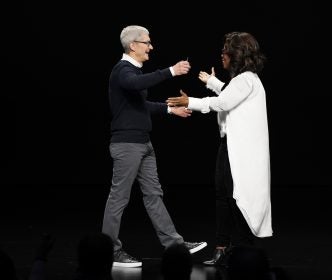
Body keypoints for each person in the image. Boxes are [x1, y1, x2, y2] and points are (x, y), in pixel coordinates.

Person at [102, 25, 207, 268]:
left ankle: (175, 245)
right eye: (146, 42)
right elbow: (135, 85)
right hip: (127, 145)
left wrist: (171, 110)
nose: (151, 46)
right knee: (119, 197)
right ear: (132, 45)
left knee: (154, 195)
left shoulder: (133, 73)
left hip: (143, 143)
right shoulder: (122, 71)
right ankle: (109, 251)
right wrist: (171, 71)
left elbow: (141, 105)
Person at [167, 32, 273, 266]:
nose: (221, 54)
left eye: (225, 50)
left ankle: (242, 249)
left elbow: (224, 102)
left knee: (235, 197)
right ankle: (223, 247)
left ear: (236, 55)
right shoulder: (242, 80)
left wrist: (190, 102)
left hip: (241, 151)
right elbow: (229, 95)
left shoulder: (247, 79)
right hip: (230, 146)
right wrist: (213, 84)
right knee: (223, 196)